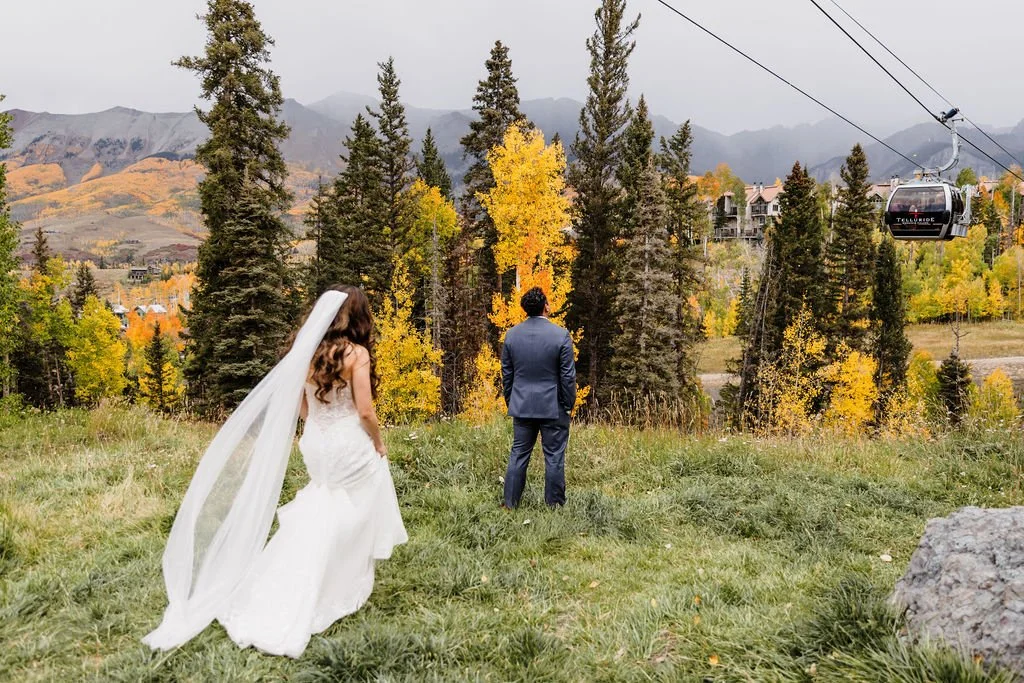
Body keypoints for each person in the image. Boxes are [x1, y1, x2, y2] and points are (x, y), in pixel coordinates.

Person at [143, 286, 407, 658]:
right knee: (359, 498)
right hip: (348, 439)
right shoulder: (356, 354)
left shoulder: (308, 351)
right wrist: (378, 443)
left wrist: (318, 422)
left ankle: (309, 570)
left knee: (324, 499)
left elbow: (299, 405)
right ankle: (338, 578)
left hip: (316, 440)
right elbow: (365, 411)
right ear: (358, 317)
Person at [500, 287, 576, 508]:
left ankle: (510, 503)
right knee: (554, 457)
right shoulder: (561, 335)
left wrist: (512, 401)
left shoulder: (512, 335)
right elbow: (567, 376)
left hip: (522, 405)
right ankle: (554, 506)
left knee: (519, 454)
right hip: (553, 407)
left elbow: (507, 375)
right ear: (546, 306)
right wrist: (568, 404)